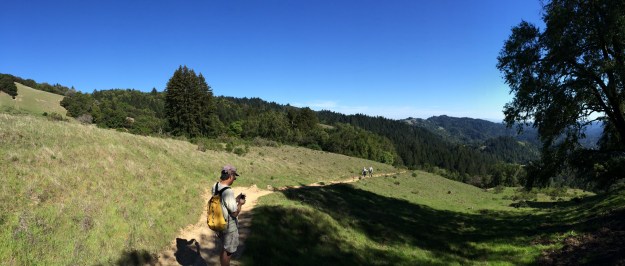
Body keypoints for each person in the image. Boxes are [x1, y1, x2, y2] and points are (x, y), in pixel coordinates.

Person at [212, 165, 246, 266]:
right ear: (230, 176)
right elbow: (234, 213)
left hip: (218, 223)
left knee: (224, 248)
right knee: (228, 252)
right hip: (229, 227)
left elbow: (222, 202)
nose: (234, 179)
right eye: (234, 177)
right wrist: (240, 203)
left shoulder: (216, 186)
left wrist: (234, 199)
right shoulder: (228, 191)